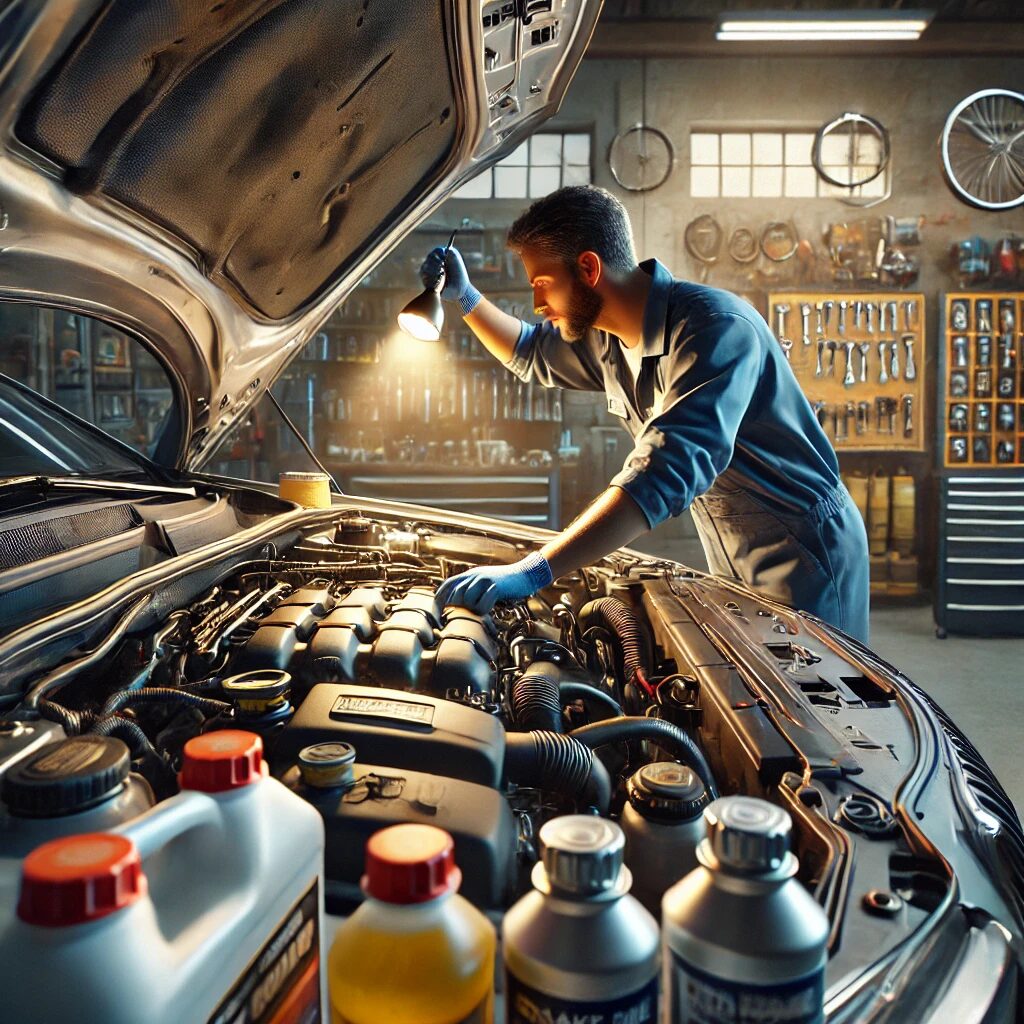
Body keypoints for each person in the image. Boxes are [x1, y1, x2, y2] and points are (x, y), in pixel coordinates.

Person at [426, 185, 869, 642]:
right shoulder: (608, 337)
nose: (539, 305)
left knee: (819, 700)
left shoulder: (715, 330)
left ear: (589, 268)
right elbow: (530, 351)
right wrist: (465, 298)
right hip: (731, 543)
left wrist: (535, 570)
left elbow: (663, 471)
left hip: (806, 553)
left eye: (542, 285)